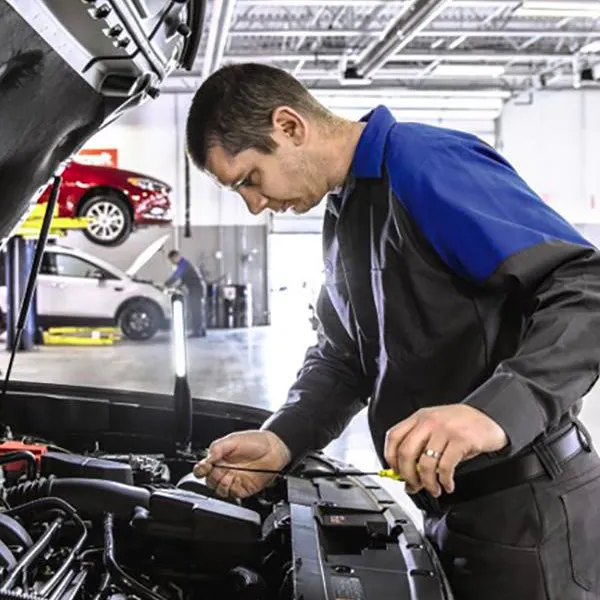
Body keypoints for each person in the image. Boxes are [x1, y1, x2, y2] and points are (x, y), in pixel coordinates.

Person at [185, 63, 600, 599]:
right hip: (453, 510)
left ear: (289, 126)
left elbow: (584, 287)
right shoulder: (346, 211)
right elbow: (344, 358)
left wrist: (496, 408)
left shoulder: (424, 163)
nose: (254, 205)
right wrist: (281, 437)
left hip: (531, 511)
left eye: (249, 179)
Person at [164, 249, 206, 337]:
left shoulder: (183, 264)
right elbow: (183, 278)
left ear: (176, 257)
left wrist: (166, 283)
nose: (172, 262)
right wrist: (178, 286)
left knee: (195, 310)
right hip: (195, 288)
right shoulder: (184, 263)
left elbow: (176, 275)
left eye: (172, 260)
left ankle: (197, 332)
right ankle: (200, 330)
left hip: (196, 289)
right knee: (196, 310)